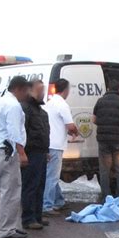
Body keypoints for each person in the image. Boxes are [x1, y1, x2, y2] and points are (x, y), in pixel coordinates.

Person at [0, 76, 30, 238]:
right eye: (25, 90)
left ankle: (10, 226)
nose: (27, 94)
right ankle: (7, 229)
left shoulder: (2, 101)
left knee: (8, 190)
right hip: (7, 152)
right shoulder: (13, 105)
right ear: (19, 88)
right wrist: (22, 153)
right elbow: (14, 131)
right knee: (11, 191)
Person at [92, 80, 119, 208]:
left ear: (108, 89)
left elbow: (94, 120)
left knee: (104, 170)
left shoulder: (100, 101)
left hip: (104, 141)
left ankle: (106, 198)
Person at [43, 79, 78, 216]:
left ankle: (58, 201)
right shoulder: (62, 105)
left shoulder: (49, 103)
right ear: (66, 90)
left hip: (48, 144)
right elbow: (70, 125)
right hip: (56, 145)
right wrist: (75, 131)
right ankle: (47, 205)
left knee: (51, 175)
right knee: (52, 177)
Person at [20, 79, 50, 230]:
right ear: (30, 90)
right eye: (39, 90)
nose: (42, 93)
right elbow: (23, 132)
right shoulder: (26, 109)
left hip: (41, 153)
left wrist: (46, 151)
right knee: (30, 186)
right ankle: (28, 218)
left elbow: (44, 132)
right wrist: (23, 153)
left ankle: (37, 215)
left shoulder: (41, 111)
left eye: (42, 90)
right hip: (31, 152)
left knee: (39, 185)